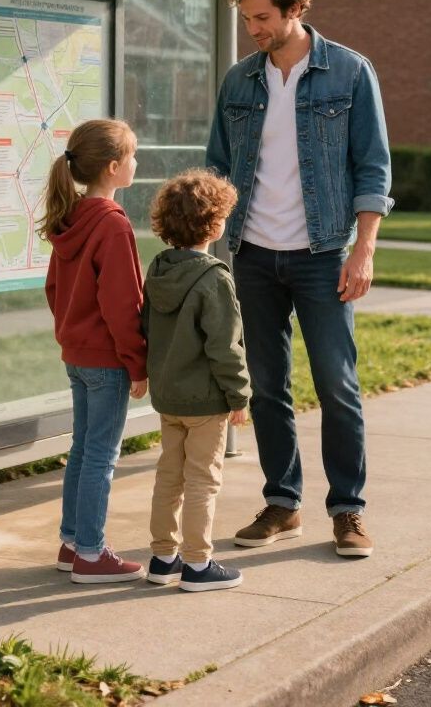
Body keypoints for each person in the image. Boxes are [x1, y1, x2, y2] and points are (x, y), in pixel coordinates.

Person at [206, 0, 393, 559]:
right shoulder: (240, 81)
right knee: (266, 387)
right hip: (252, 254)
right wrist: (205, 250)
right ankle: (283, 503)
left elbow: (373, 167)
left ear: (295, 8)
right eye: (246, 19)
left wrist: (363, 250)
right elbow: (215, 168)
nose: (253, 29)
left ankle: (348, 510)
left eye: (262, 17)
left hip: (322, 255)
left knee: (337, 385)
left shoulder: (350, 72)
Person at [41, 118, 149, 584]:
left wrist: (72, 330)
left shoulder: (71, 217)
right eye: (132, 155)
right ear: (113, 167)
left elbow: (53, 288)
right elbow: (124, 305)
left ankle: (71, 543)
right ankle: (91, 553)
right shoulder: (112, 225)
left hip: (77, 355)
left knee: (83, 449)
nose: (136, 162)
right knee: (102, 456)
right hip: (107, 361)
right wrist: (138, 362)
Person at [142, 169, 252, 592]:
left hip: (168, 397)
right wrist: (239, 395)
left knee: (168, 476)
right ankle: (197, 564)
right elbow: (226, 347)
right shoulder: (214, 277)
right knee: (202, 480)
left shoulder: (159, 268)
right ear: (216, 222)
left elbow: (147, 326)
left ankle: (162, 557)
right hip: (206, 402)